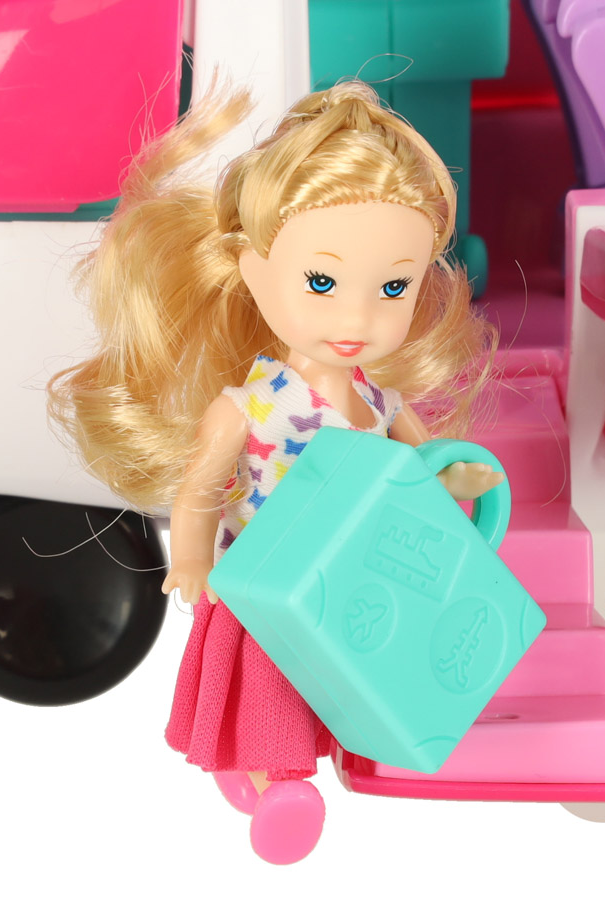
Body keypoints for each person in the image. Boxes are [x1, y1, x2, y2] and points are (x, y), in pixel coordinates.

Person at [49, 78, 501, 864]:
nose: (356, 318)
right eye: (321, 283)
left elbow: (424, 466)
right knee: (272, 696)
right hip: (272, 583)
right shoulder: (250, 408)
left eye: (393, 287)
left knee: (348, 680)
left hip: (356, 578)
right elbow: (201, 487)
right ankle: (282, 785)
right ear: (251, 270)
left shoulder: (380, 399)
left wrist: (456, 484)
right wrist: (191, 557)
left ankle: (309, 761)